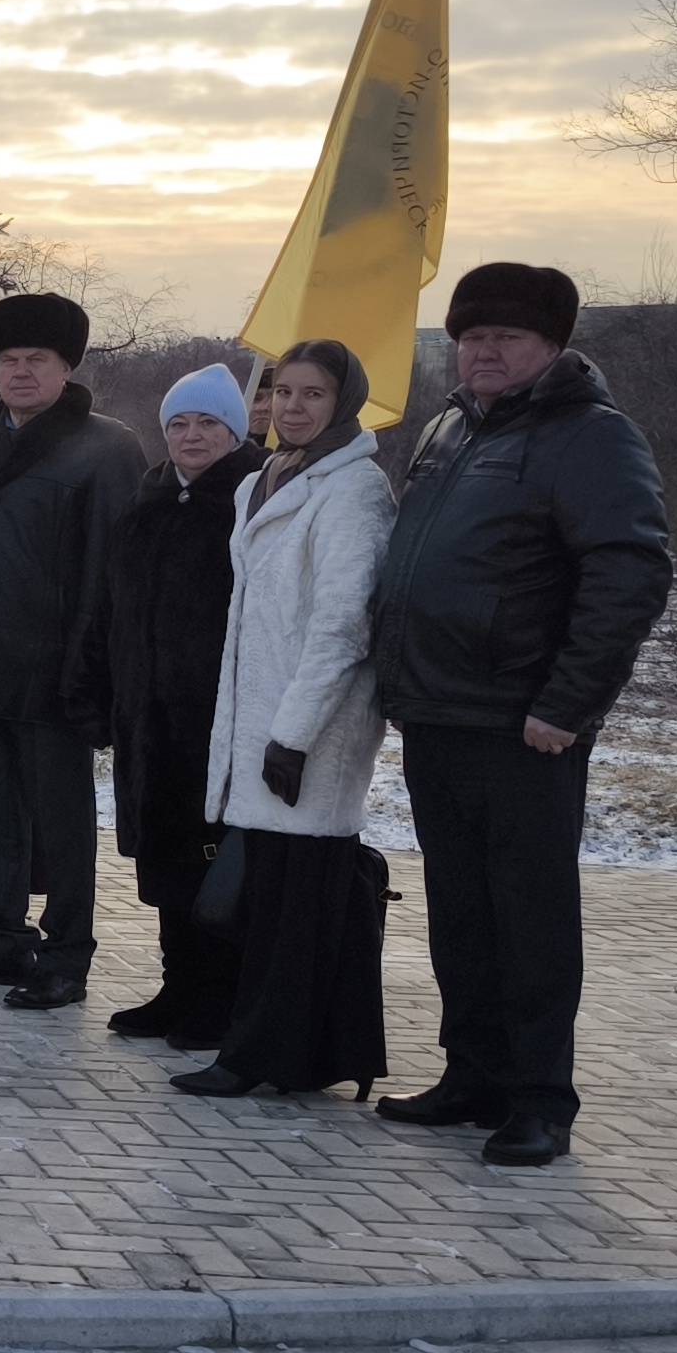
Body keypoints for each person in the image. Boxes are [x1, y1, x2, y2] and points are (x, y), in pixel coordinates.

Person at [369, 264, 672, 1168]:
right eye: (472, 338)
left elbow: (628, 574)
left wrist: (568, 703)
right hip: (438, 712)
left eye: (507, 338)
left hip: (523, 724)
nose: (485, 353)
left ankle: (540, 1100)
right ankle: (474, 1076)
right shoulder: (449, 429)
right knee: (461, 911)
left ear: (552, 347)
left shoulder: (591, 437)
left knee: (530, 918)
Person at [174, 340, 399, 1104]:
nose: (293, 408)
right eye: (282, 392)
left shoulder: (353, 490)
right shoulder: (264, 480)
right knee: (272, 900)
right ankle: (292, 1052)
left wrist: (294, 735)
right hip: (258, 723)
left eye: (313, 394)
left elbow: (343, 625)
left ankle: (260, 1055)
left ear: (344, 402)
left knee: (298, 904)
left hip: (314, 731)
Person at [0, 293, 150, 1009]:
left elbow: (112, 571)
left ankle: (66, 953)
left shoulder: (105, 448)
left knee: (62, 821)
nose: (20, 372)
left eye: (37, 359)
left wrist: (91, 670)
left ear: (67, 367)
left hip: (56, 670)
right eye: (8, 359)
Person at [88, 362, 257, 1045]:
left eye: (208, 423)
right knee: (164, 860)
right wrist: (104, 689)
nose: (192, 435)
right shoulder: (149, 500)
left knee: (212, 863)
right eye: (179, 423)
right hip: (146, 717)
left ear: (235, 431)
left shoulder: (251, 501)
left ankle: (220, 998)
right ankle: (177, 986)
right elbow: (113, 606)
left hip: (214, 719)